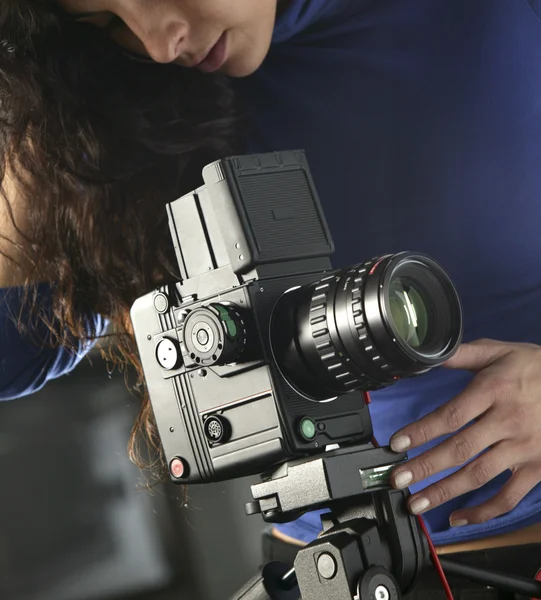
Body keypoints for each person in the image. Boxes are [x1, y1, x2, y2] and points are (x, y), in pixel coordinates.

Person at [2, 1, 541, 597]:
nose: (158, 40)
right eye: (106, 20)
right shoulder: (129, 104)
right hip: (333, 570)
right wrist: (36, 158)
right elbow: (14, 354)